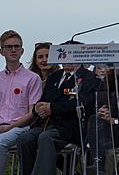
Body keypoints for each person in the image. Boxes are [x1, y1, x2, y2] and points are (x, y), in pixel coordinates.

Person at [16, 40, 101, 175]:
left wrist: (52, 108)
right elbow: (44, 100)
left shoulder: (89, 78)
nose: (66, 58)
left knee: (46, 137)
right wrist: (39, 108)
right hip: (48, 124)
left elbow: (81, 103)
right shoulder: (54, 77)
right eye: (64, 54)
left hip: (72, 127)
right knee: (25, 139)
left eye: (70, 55)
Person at [0, 30, 42, 175]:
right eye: (8, 47)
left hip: (20, 128)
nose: (13, 50)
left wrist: (9, 127)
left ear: (22, 50)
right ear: (1, 51)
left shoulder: (32, 78)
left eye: (16, 46)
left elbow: (33, 113)